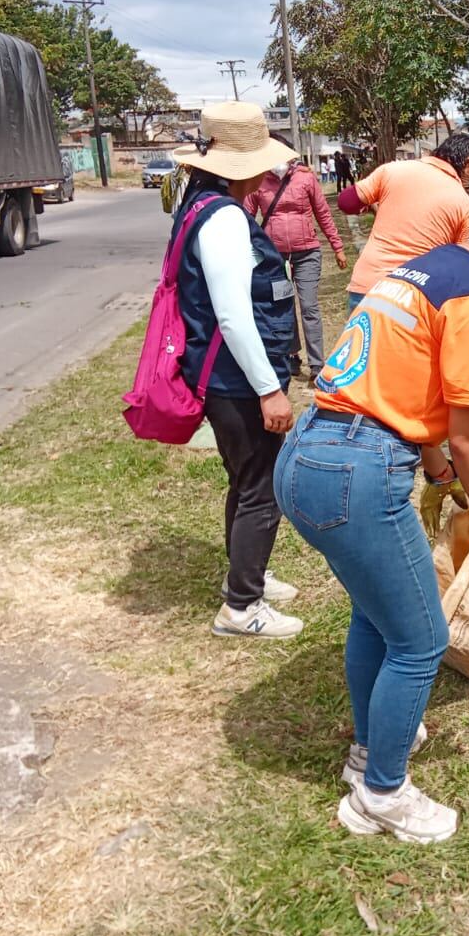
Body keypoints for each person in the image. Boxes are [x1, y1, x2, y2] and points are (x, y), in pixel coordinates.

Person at [274, 189, 469, 843]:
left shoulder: (422, 269)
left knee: (377, 618)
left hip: (308, 453)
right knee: (421, 641)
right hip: (357, 469)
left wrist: (436, 475)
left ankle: (369, 754)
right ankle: (381, 794)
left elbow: (409, 383)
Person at [169, 101, 304, 639]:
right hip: (237, 379)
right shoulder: (223, 218)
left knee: (245, 480)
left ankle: (248, 575)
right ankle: (242, 607)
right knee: (260, 488)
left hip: (226, 377)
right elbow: (232, 313)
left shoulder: (202, 204)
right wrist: (270, 391)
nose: (268, 174)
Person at [337, 133, 469, 311]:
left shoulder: (394, 170)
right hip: (413, 296)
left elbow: (346, 202)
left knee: (361, 339)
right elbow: (462, 264)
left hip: (367, 286)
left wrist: (373, 206)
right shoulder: (464, 204)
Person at [244, 149, 348, 381]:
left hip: (307, 253)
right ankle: (292, 355)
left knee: (309, 307)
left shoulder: (305, 177)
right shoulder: (258, 181)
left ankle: (317, 364)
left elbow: (323, 213)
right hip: (275, 258)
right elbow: (246, 217)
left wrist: (337, 247)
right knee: (284, 307)